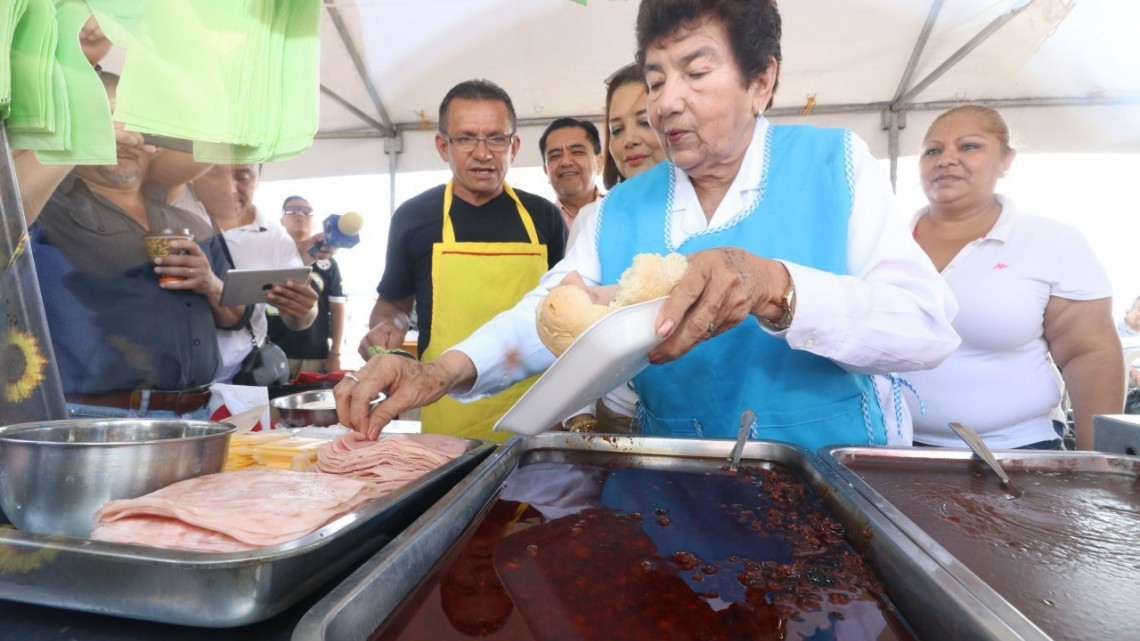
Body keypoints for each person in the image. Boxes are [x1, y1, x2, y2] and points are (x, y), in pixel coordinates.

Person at [337, 0, 959, 450]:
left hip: (832, 480)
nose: (666, 102)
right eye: (657, 80)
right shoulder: (619, 210)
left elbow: (926, 328)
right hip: (674, 482)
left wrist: (778, 286)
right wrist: (439, 372)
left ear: (761, 81)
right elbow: (548, 316)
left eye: (696, 73)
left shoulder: (835, 164)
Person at [19, 73, 247, 418]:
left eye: (138, 126)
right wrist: (81, 135)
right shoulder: (47, 210)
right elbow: (8, 211)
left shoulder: (190, 223)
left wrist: (210, 284)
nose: (126, 138)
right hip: (92, 419)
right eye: (108, 121)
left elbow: (236, 317)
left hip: (196, 413)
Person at [356, 79, 566, 440]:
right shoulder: (413, 217)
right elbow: (393, 304)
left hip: (535, 413)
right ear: (443, 146)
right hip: (445, 411)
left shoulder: (543, 216)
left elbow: (566, 308)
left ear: (514, 146)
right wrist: (387, 325)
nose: (482, 153)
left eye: (496, 138)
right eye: (466, 138)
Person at [904, 105, 1122, 451]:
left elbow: (1089, 353)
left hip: (1015, 452)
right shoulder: (884, 241)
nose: (946, 159)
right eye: (933, 150)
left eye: (969, 146)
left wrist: (1097, 462)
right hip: (886, 447)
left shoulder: (1051, 242)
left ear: (1006, 160)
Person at [191, 164, 318, 383]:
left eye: (243, 176)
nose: (229, 187)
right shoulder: (170, 221)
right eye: (213, 173)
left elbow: (300, 319)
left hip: (245, 378)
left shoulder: (275, 237)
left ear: (258, 179)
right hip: (176, 382)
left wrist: (303, 309)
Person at [267, 196, 347, 377]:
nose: (300, 214)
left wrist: (335, 352)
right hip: (270, 353)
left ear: (314, 221)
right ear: (282, 219)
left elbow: (337, 308)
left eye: (307, 211)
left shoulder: (328, 263)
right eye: (292, 210)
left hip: (313, 353)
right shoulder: (268, 257)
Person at [539, 118, 603, 231]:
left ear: (598, 163)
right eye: (555, 156)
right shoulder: (538, 224)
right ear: (546, 171)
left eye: (577, 152)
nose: (565, 162)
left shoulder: (621, 212)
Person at [1117, 295, 1140, 389]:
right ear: (1127, 312)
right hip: (1125, 376)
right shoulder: (1114, 331)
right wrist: (1133, 372)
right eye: (1139, 309)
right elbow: (1111, 359)